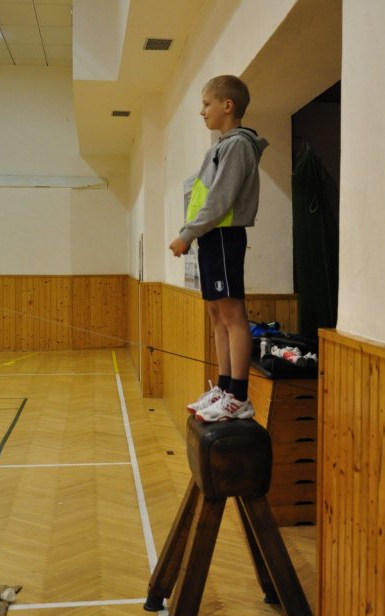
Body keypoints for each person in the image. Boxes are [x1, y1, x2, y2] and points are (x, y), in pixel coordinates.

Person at [170, 75, 268, 422]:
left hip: (225, 235)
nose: (202, 111)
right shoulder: (219, 146)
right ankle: (224, 387)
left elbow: (219, 199)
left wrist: (188, 234)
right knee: (216, 314)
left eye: (206, 104)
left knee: (232, 314)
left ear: (228, 105)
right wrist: (193, 233)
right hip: (211, 237)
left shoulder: (238, 145)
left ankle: (238, 396)